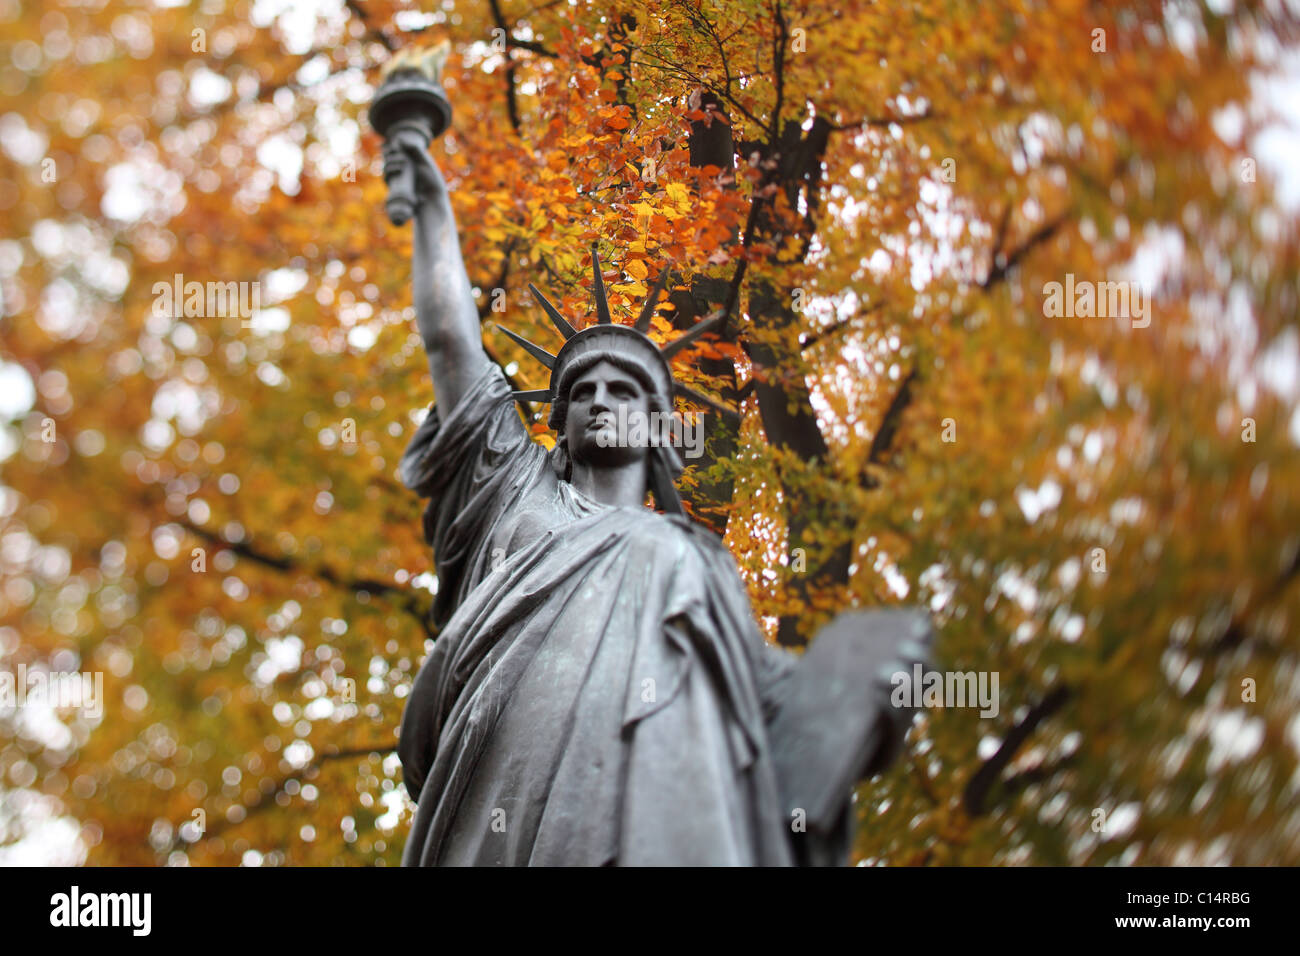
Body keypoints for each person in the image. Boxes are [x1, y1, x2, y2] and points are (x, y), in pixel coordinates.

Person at [384, 131, 919, 866]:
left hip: (668, 801)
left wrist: (854, 681)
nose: (601, 401)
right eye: (582, 393)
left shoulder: (697, 559)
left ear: (658, 428)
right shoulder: (516, 491)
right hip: (509, 777)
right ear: (560, 427)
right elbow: (450, 341)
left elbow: (761, 701)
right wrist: (434, 207)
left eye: (625, 390)